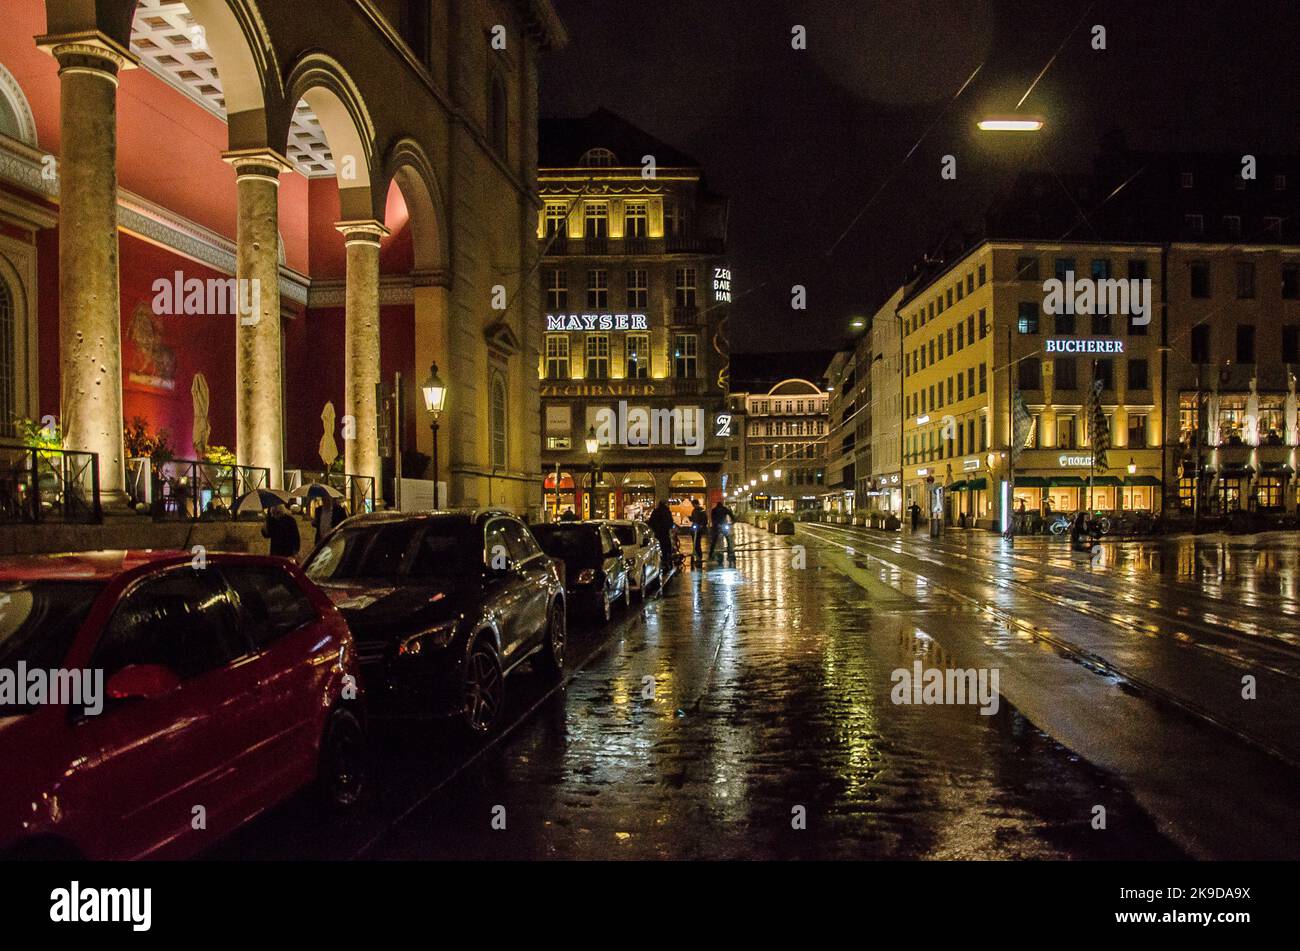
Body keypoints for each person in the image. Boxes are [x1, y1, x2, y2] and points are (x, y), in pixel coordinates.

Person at [647, 500, 676, 572]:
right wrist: (669, 527)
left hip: (657, 533)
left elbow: (651, 522)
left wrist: (654, 529)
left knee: (659, 547)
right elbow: (670, 522)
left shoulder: (656, 511)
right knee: (666, 547)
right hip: (665, 533)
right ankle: (667, 562)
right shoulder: (667, 511)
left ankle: (660, 562)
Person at [709, 498, 736, 566]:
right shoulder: (724, 509)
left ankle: (711, 554)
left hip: (717, 526)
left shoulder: (714, 510)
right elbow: (731, 514)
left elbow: (712, 518)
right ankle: (730, 553)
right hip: (724, 525)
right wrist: (733, 520)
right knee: (728, 539)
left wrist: (715, 524)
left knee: (714, 540)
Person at [688, 498, 708, 567]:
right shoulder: (694, 510)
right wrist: (690, 518)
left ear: (696, 504)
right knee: (695, 543)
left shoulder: (701, 510)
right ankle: (696, 555)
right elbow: (693, 519)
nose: (693, 506)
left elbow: (705, 520)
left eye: (693, 504)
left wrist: (702, 526)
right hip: (694, 529)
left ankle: (699, 556)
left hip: (699, 529)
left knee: (697, 543)